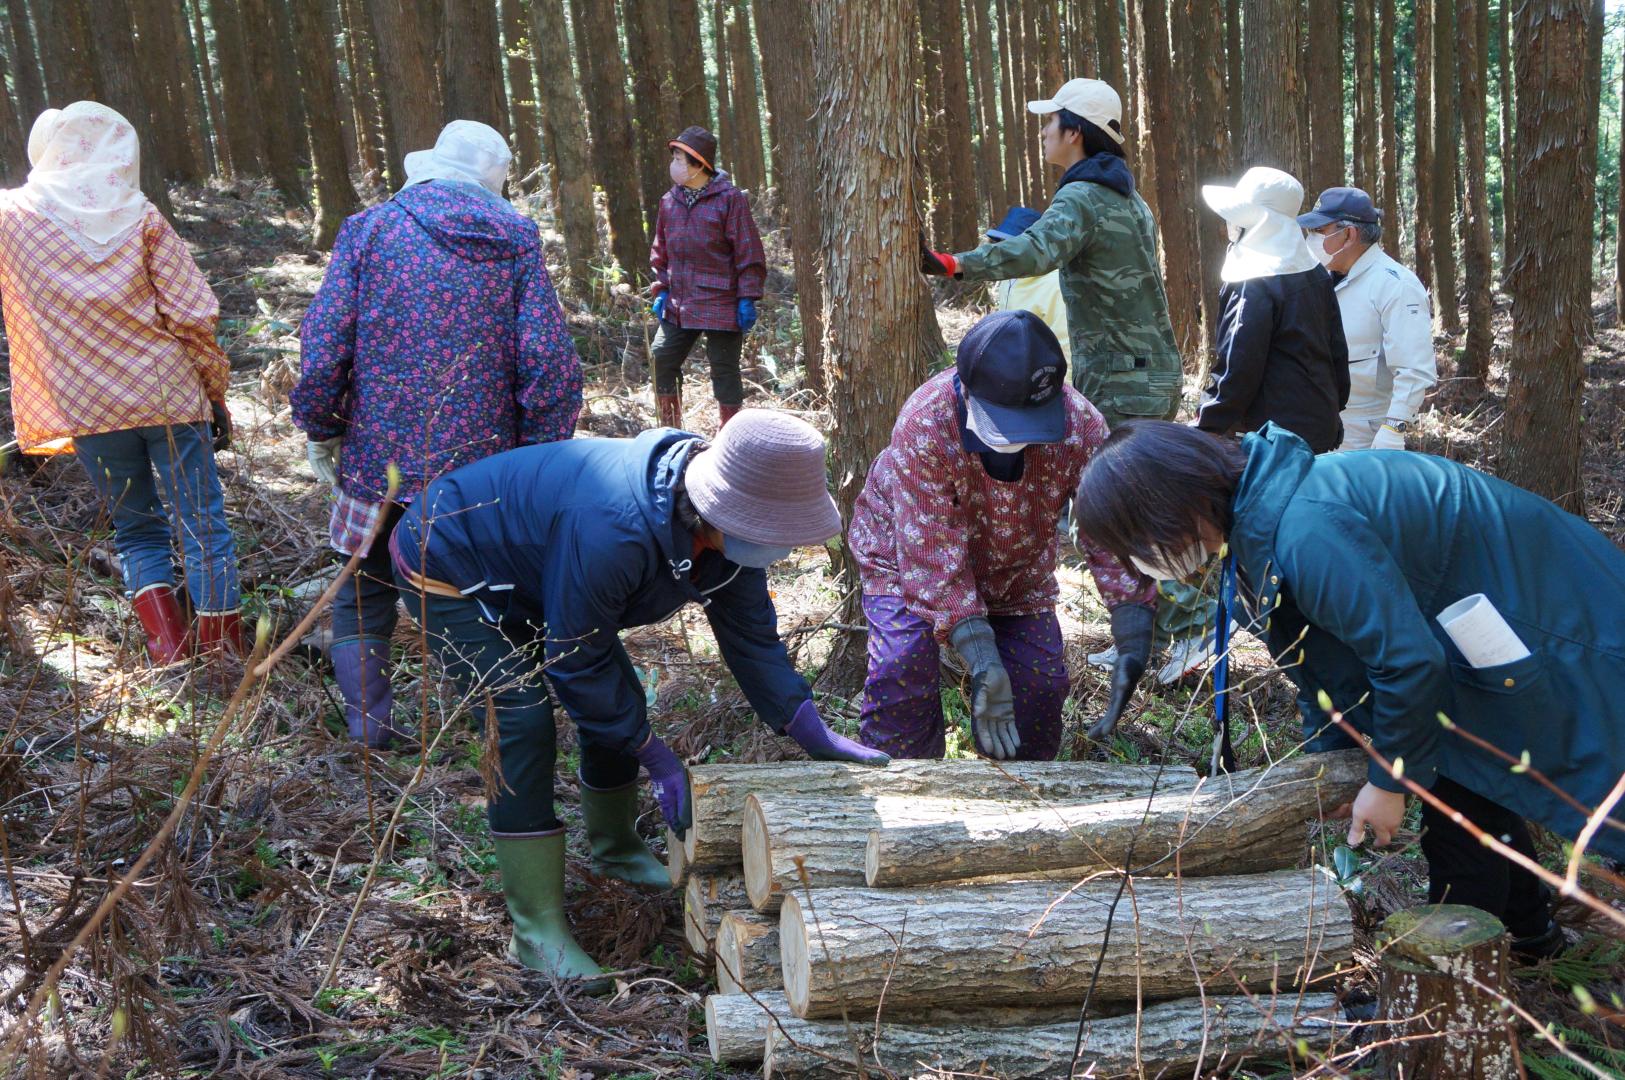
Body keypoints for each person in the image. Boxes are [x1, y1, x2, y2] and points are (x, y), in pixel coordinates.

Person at [1073, 419, 1625, 958]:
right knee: (1466, 784)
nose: (1140, 564)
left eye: (1136, 545)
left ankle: (1450, 989)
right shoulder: (1259, 525)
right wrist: (1333, 755)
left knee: (1463, 804)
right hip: (1476, 650)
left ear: (1166, 510)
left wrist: (1389, 782)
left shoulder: (1306, 529)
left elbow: (1407, 663)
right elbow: (1321, 662)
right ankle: (1528, 940)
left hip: (1563, 627)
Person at [389, 411, 889, 984]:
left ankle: (618, 850)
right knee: (521, 720)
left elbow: (751, 638)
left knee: (618, 701)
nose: (778, 546)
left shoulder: (729, 540)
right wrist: (654, 756)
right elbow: (577, 659)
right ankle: (535, 932)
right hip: (451, 560)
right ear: (718, 508)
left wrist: (807, 726)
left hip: (536, 572)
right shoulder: (615, 527)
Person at [291, 120, 583, 749]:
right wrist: (539, 455)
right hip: (482, 470)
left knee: (363, 591)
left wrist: (319, 424)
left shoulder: (371, 229)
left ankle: (370, 733)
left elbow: (323, 344)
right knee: (485, 599)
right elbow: (549, 361)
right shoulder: (517, 238)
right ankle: (500, 740)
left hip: (378, 459)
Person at [920, 78, 1215, 686]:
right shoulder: (1127, 198)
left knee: (1132, 504)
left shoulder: (1083, 197)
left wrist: (954, 264)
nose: (1042, 132)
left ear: (1074, 131)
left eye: (1049, 122)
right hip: (1145, 368)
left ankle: (1194, 631)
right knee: (1134, 499)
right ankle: (1159, 630)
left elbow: (1033, 252)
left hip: (1123, 378)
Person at [848, 311, 1156, 761]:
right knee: (902, 670)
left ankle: (1019, 810)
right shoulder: (925, 423)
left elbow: (1108, 526)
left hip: (1016, 568)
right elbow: (931, 553)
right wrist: (981, 655)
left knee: (1039, 686)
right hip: (906, 561)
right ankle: (902, 801)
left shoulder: (1082, 425)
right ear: (968, 389)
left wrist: (1133, 628)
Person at [0, 102, 242, 664]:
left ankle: (169, 655)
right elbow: (191, 314)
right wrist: (214, 390)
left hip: (86, 404)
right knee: (204, 525)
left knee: (135, 531)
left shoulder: (10, 217)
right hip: (168, 396)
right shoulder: (139, 214)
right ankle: (225, 663)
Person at [1197, 167, 1350, 454]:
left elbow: (1237, 369)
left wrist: (1204, 426)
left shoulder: (1253, 283)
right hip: (1316, 426)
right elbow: (1337, 355)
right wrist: (1330, 411)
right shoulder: (1314, 272)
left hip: (1272, 439)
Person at [1298, 187, 1436, 451]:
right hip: (1318, 423)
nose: (1311, 239)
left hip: (1366, 434)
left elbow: (1414, 369)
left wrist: (1394, 428)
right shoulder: (1319, 280)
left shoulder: (1395, 285)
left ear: (1349, 234)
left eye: (1319, 231)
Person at [649, 126, 766, 432]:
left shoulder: (729, 200)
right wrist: (661, 288)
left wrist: (746, 298)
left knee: (724, 370)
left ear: (700, 164)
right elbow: (660, 249)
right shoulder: (669, 201)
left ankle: (730, 439)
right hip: (679, 302)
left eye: (681, 158)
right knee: (662, 357)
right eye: (673, 156)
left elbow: (748, 251)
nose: (675, 164)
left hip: (721, 302)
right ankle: (670, 433)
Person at [986, 206, 1070, 366]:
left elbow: (1066, 342)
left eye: (1012, 245)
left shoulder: (1055, 285)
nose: (1004, 251)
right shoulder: (1009, 277)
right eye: (1000, 243)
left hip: (1045, 375)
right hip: (1014, 370)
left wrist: (1065, 387)